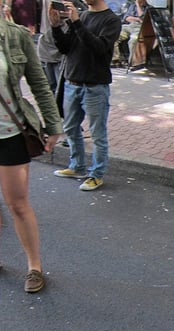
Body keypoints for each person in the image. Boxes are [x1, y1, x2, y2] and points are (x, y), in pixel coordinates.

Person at [0, 0, 63, 292]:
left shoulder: (16, 35)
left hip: (10, 132)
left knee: (18, 204)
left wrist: (53, 126)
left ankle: (34, 267)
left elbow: (38, 83)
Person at [50, 0, 121, 191]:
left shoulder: (112, 20)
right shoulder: (81, 16)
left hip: (95, 86)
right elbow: (65, 48)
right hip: (72, 82)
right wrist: (56, 26)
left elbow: (98, 48)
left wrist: (77, 23)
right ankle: (77, 166)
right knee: (71, 128)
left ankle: (96, 175)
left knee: (97, 134)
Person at [112, 0, 148, 67]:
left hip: (139, 28)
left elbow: (143, 18)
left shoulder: (149, 8)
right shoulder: (132, 6)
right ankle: (115, 60)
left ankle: (132, 63)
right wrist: (137, 19)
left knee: (133, 40)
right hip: (129, 26)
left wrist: (138, 5)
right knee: (113, 35)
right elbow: (126, 18)